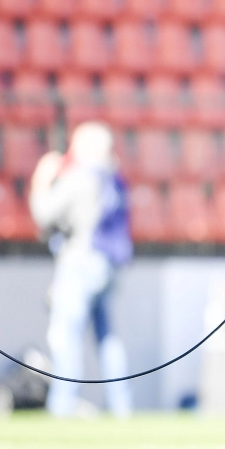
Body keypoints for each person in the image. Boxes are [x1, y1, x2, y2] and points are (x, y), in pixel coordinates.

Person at [28, 122, 134, 418]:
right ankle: (121, 404)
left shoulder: (81, 177)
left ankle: (62, 404)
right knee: (107, 339)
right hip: (109, 265)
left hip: (81, 262)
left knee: (66, 335)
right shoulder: (115, 179)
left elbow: (45, 214)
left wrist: (41, 181)